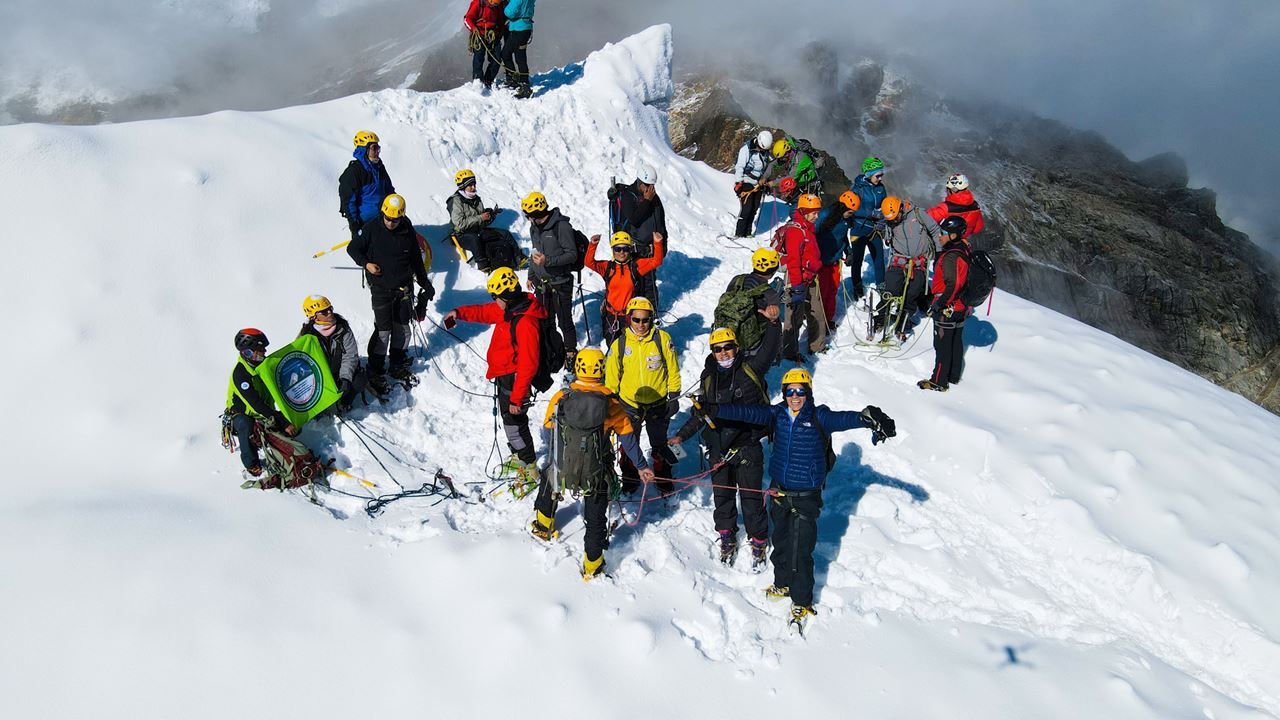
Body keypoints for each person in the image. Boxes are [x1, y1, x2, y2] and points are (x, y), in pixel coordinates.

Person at [701, 368, 897, 630]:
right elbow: (748, 412)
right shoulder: (778, 414)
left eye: (800, 391)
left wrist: (866, 418)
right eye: (790, 391)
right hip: (780, 492)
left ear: (808, 393)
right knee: (781, 542)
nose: (795, 396)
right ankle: (782, 584)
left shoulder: (819, 416)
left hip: (806, 496)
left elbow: (843, 419)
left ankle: (802, 600)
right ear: (784, 394)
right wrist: (716, 409)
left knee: (801, 551)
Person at [530, 348, 656, 580]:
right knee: (596, 515)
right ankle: (592, 564)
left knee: (549, 477)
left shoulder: (562, 397)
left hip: (563, 464)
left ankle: (543, 525)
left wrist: (557, 456)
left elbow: (549, 431)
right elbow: (628, 439)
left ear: (578, 367)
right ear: (602, 368)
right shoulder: (610, 402)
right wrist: (641, 466)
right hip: (595, 469)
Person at [668, 328, 772, 569]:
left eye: (727, 347)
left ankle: (758, 540)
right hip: (718, 447)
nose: (723, 353)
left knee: (751, 497)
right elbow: (701, 414)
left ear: (736, 347)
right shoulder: (708, 377)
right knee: (722, 497)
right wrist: (682, 436)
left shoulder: (749, 370)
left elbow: (768, 351)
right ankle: (726, 535)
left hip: (747, 446)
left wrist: (773, 324)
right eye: (718, 349)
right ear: (712, 353)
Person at [442, 267, 546, 474]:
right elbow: (484, 312)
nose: (494, 300)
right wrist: (459, 313)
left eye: (495, 296)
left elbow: (529, 363)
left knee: (515, 421)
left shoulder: (525, 321)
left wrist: (517, 397)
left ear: (505, 296)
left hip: (515, 379)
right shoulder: (510, 308)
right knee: (509, 420)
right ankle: (521, 455)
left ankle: (528, 464)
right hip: (505, 375)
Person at [346, 194, 435, 395]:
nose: (390, 222)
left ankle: (397, 361)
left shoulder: (407, 231)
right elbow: (353, 248)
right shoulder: (371, 228)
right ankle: (375, 368)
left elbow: (415, 260)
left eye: (395, 219)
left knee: (403, 329)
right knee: (383, 331)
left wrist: (425, 284)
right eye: (387, 218)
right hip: (381, 289)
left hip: (403, 289)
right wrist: (366, 264)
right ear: (383, 213)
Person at [604, 297, 681, 494]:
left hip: (658, 403)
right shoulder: (619, 344)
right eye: (636, 320)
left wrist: (674, 396)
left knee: (659, 443)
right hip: (629, 404)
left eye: (645, 320)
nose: (640, 325)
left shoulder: (662, 339)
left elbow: (672, 370)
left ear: (651, 319)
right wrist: (611, 404)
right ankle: (630, 478)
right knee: (629, 443)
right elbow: (612, 377)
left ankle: (663, 479)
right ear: (629, 319)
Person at [225, 328, 299, 477]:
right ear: (248, 352)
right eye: (260, 349)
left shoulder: (263, 366)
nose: (264, 352)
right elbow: (255, 404)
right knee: (245, 424)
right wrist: (282, 421)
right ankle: (251, 463)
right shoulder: (241, 374)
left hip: (264, 411)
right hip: (244, 414)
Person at [523, 191, 580, 369]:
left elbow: (572, 255)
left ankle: (570, 352)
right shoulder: (534, 228)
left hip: (560, 283)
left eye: (530, 216)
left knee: (564, 320)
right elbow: (534, 253)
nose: (528, 219)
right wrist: (531, 274)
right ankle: (551, 350)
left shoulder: (561, 227)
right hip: (541, 283)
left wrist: (549, 261)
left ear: (537, 214)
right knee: (545, 320)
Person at [585, 230, 665, 346]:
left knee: (629, 347)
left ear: (630, 250)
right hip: (611, 316)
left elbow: (656, 261)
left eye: (626, 249)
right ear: (613, 250)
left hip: (629, 316)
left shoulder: (635, 266)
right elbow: (589, 262)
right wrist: (593, 244)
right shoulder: (608, 267)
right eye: (618, 249)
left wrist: (657, 242)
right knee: (612, 346)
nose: (622, 252)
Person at [875, 197, 940, 340]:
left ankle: (904, 320)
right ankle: (880, 317)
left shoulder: (918, 214)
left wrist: (939, 252)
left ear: (900, 209)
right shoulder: (889, 220)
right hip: (899, 259)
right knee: (890, 289)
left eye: (895, 217)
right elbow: (888, 237)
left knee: (912, 294)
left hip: (918, 262)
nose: (894, 221)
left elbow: (935, 230)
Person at [920, 215, 971, 392]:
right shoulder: (964, 249)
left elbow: (954, 283)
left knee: (941, 345)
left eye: (945, 233)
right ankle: (953, 376)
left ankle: (938, 381)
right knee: (955, 342)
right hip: (960, 307)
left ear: (954, 235)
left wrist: (940, 304)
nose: (940, 236)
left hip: (947, 307)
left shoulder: (950, 256)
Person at [608, 165, 667, 309]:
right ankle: (633, 317)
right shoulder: (629, 196)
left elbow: (660, 222)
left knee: (649, 286)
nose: (650, 188)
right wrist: (646, 201)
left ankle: (650, 316)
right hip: (632, 251)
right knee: (633, 285)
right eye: (648, 185)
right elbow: (634, 218)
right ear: (640, 183)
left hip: (649, 250)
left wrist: (663, 245)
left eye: (652, 185)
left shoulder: (654, 198)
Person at [779, 194, 827, 361]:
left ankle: (817, 345)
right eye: (813, 212)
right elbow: (793, 261)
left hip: (810, 277)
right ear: (804, 211)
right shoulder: (796, 231)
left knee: (817, 312)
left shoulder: (808, 228)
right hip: (796, 280)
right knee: (794, 318)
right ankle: (789, 352)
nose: (817, 216)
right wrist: (797, 286)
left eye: (818, 212)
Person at [298, 295, 367, 410]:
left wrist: (345, 378)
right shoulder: (306, 335)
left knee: (359, 380)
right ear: (313, 317)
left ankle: (345, 402)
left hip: (340, 372)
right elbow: (300, 358)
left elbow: (350, 355)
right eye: (324, 311)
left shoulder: (343, 328)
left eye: (330, 308)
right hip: (321, 377)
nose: (329, 312)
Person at [716, 248, 783, 364]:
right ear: (774, 270)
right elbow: (773, 325)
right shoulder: (771, 294)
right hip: (752, 344)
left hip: (728, 336)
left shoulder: (737, 280)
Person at [448, 169, 522, 272]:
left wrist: (489, 215)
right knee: (474, 239)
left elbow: (480, 220)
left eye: (474, 184)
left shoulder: (476, 198)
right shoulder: (456, 201)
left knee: (504, 234)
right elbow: (460, 224)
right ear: (463, 186)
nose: (474, 188)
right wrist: (480, 218)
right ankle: (483, 266)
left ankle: (520, 258)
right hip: (462, 234)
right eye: (470, 185)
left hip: (477, 230)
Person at [845, 157, 889, 299]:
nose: (880, 178)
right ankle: (857, 286)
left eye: (881, 175)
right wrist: (871, 214)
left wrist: (883, 219)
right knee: (857, 260)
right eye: (878, 175)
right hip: (859, 229)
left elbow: (885, 205)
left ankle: (881, 286)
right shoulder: (857, 188)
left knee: (879, 259)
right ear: (869, 174)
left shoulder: (880, 188)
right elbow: (849, 209)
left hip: (875, 229)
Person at [814, 191, 860, 327]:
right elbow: (813, 234)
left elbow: (843, 237)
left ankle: (827, 320)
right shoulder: (824, 216)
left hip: (834, 261)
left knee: (832, 290)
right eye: (850, 212)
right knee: (821, 292)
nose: (851, 215)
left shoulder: (845, 220)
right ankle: (819, 323)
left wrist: (848, 251)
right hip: (821, 262)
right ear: (843, 207)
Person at [338, 131, 395, 240]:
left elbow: (389, 190)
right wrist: (355, 225)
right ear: (364, 150)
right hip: (366, 223)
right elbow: (348, 203)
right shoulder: (354, 172)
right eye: (374, 148)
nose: (377, 151)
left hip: (384, 217)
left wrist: (395, 205)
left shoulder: (379, 168)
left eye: (378, 148)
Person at [732, 129, 774, 238]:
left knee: (754, 208)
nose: (761, 150)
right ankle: (739, 233)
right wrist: (739, 182)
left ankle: (748, 232)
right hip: (746, 181)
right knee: (747, 208)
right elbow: (740, 166)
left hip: (758, 183)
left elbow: (766, 167)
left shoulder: (765, 151)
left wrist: (766, 181)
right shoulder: (746, 150)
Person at [926, 173, 985, 239]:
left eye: (947, 189)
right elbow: (978, 228)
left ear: (953, 190)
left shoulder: (946, 208)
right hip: (961, 241)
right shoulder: (975, 206)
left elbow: (925, 218)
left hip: (946, 242)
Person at [464, 0, 506, 90]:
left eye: (496, 4)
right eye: (494, 4)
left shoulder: (497, 6)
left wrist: (500, 32)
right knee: (479, 57)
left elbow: (500, 20)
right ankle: (478, 80)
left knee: (497, 59)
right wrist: (473, 28)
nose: (495, 6)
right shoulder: (478, 3)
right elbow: (467, 19)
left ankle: (488, 80)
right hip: (479, 33)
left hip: (492, 34)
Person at [501, 0, 535, 99]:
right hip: (526, 28)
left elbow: (509, 12)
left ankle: (522, 84)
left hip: (518, 29)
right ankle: (519, 81)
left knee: (509, 55)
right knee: (518, 56)